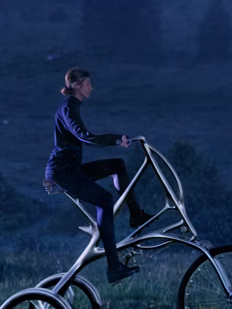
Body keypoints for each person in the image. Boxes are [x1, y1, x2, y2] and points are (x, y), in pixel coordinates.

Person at [45, 67, 153, 284]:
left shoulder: (72, 105)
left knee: (117, 165)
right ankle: (114, 268)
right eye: (87, 83)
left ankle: (136, 215)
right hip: (64, 173)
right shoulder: (68, 107)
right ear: (76, 85)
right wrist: (116, 139)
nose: (91, 88)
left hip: (71, 169)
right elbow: (84, 136)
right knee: (104, 200)